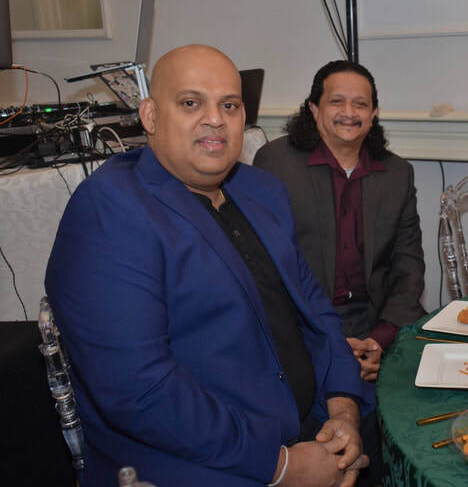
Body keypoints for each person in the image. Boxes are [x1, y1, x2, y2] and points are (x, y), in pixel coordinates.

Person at [45, 45, 370, 487]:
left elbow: (316, 310)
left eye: (229, 105)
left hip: (309, 428)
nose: (215, 119)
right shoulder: (110, 211)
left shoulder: (262, 191)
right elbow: (140, 392)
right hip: (199, 463)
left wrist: (343, 408)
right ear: (150, 116)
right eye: (190, 103)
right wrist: (282, 467)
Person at [253, 60, 425, 379]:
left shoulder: (397, 174)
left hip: (376, 326)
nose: (349, 112)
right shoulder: (276, 163)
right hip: (301, 329)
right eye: (336, 101)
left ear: (373, 114)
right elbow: (266, 270)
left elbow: (408, 267)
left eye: (360, 104)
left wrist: (380, 339)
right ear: (314, 109)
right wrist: (328, 342)